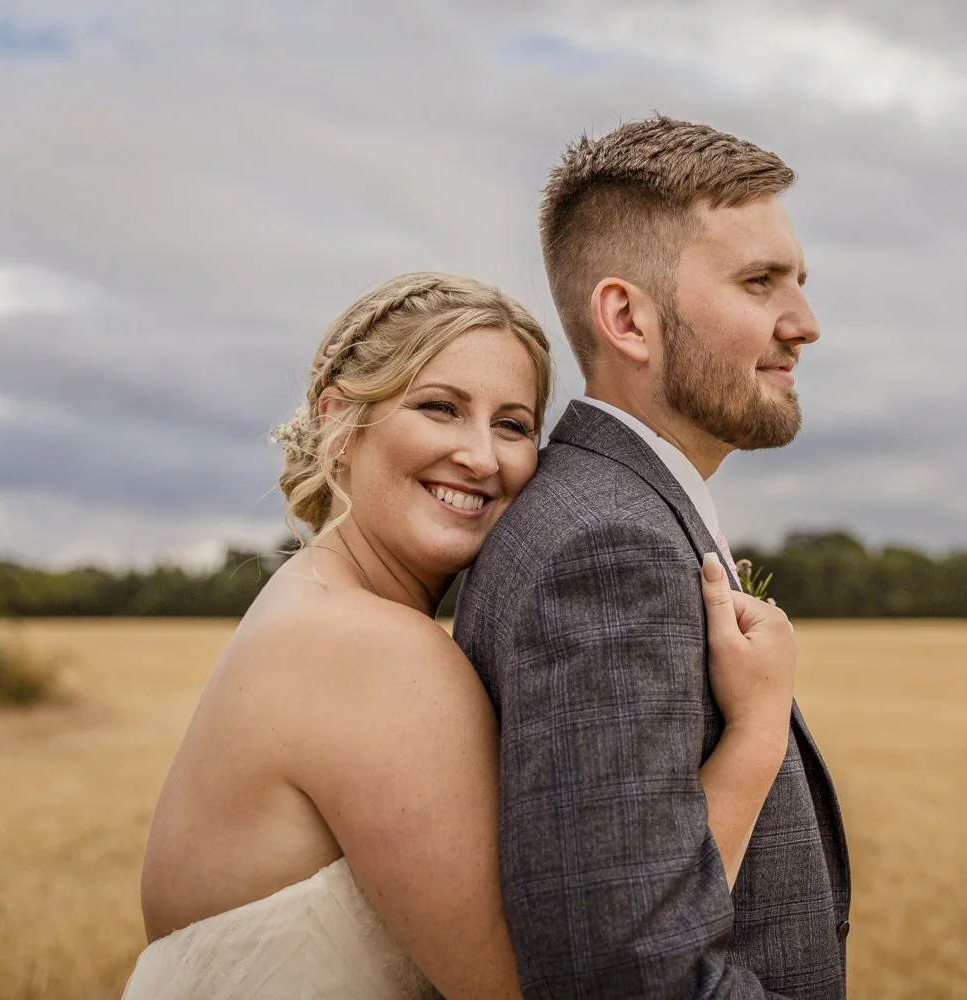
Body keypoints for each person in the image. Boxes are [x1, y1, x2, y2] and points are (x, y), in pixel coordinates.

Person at [124, 272, 800, 999]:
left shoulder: (311, 604)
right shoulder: (370, 652)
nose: (481, 457)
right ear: (338, 422)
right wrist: (757, 733)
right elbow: (584, 984)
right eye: (440, 408)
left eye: (511, 425)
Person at [455, 116, 850, 998]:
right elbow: (634, 982)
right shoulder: (607, 551)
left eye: (800, 283)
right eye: (760, 283)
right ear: (628, 317)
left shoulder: (609, 512)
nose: (806, 324)